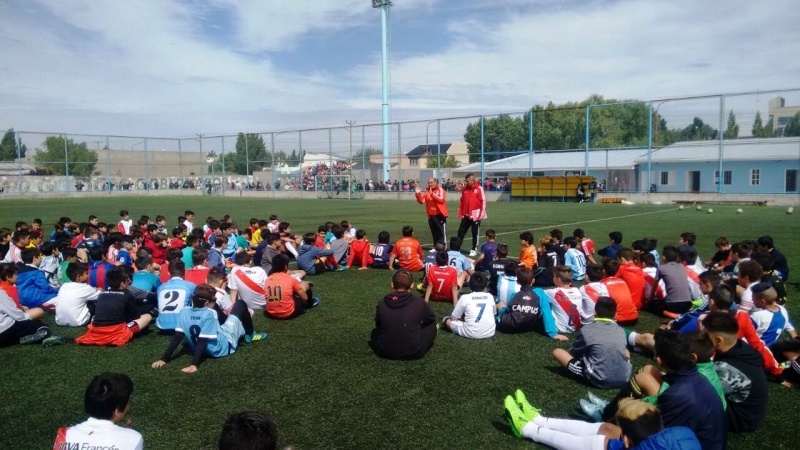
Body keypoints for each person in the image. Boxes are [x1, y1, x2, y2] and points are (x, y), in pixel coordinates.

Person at [503, 391, 701, 450]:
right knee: (606, 429)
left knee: (600, 444)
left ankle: (528, 429)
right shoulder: (683, 433)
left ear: (627, 441)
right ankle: (539, 419)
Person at [152, 284, 266, 373]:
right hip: (223, 347)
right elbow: (202, 340)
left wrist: (164, 359)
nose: (215, 302)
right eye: (214, 300)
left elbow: (177, 337)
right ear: (206, 303)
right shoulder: (210, 314)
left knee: (218, 315)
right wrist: (194, 364)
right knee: (240, 304)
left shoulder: (184, 311)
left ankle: (240, 330)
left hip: (196, 347)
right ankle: (250, 334)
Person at [703, 311, 769, 433]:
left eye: (705, 336)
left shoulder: (727, 369)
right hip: (747, 411)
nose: (702, 339)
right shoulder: (739, 346)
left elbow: (697, 391)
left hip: (739, 420)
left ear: (719, 340)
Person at [552, 296, 631, 389]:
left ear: (594, 313)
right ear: (615, 315)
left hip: (599, 378)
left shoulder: (587, 330)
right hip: (625, 377)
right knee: (625, 350)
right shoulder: (621, 330)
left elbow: (574, 353)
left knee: (557, 352)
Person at [53, 372, 144, 450]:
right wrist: (126, 435)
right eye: (128, 402)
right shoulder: (133, 438)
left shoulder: (64, 435)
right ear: (117, 411)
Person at [76, 267, 153, 347]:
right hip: (116, 331)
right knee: (147, 316)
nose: (129, 282)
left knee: (95, 318)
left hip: (97, 330)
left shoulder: (101, 294)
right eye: (126, 280)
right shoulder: (127, 294)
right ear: (122, 283)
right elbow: (135, 316)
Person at [370, 269, 436, 360]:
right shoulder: (419, 302)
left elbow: (378, 325)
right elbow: (431, 319)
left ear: (392, 284)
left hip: (384, 350)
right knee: (433, 325)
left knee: (374, 332)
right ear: (412, 285)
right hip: (414, 352)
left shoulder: (382, 303)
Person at [496, 267, 566, 340]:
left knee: (500, 304)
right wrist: (553, 333)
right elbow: (546, 312)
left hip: (508, 326)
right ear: (533, 280)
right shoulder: (540, 293)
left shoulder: (515, 295)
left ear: (517, 282)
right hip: (529, 326)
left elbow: (509, 310)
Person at [441, 273, 496, 339]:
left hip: (470, 332)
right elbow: (494, 313)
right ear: (485, 286)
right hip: (490, 331)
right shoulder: (490, 296)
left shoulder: (465, 297)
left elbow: (454, 317)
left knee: (446, 320)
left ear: (469, 285)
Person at [264, 254, 319, 319]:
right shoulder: (290, 279)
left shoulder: (267, 279)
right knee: (304, 284)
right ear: (286, 267)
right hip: (289, 312)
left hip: (271, 313)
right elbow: (305, 298)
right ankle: (310, 303)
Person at [544, 265, 594, 332]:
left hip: (560, 329)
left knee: (542, 300)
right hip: (576, 327)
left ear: (558, 279)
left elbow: (536, 293)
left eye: (554, 276)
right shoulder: (577, 290)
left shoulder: (553, 292)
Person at [52, 262, 100, 327]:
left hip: (59, 321)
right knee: (92, 303)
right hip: (78, 322)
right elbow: (99, 296)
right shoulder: (85, 288)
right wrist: (100, 290)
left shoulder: (64, 286)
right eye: (86, 274)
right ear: (79, 277)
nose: (88, 275)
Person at [155, 260, 196, 332]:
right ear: (185, 272)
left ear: (168, 273)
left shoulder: (161, 287)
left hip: (161, 325)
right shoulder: (191, 286)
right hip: (183, 325)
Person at [456, 173, 487, 257]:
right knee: (461, 232)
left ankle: (474, 249)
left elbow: (483, 201)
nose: (466, 182)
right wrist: (460, 212)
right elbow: (462, 201)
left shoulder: (479, 188)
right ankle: (457, 248)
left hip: (475, 215)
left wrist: (481, 214)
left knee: (475, 232)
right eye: (465, 181)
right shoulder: (465, 189)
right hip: (466, 215)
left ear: (473, 180)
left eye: (467, 181)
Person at [600, 259, 638, 326]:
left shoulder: (602, 284)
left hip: (618, 320)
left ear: (603, 271)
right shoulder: (623, 281)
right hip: (634, 318)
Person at [415, 177, 448, 249]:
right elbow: (422, 201)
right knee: (434, 231)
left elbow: (441, 200)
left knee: (441, 232)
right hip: (431, 214)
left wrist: (432, 194)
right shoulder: (427, 190)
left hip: (439, 214)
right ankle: (435, 246)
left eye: (431, 182)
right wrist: (418, 194)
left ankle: (443, 246)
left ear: (436, 182)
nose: (430, 184)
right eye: (428, 183)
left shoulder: (440, 190)